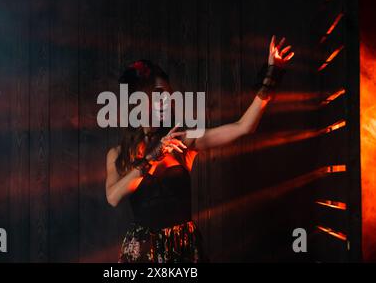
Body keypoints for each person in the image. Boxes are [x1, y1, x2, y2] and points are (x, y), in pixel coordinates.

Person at [105, 36, 294, 262]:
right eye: (158, 94)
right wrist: (153, 157)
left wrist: (272, 73)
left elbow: (243, 126)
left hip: (183, 247)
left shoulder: (184, 141)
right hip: (143, 251)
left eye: (168, 94)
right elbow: (113, 197)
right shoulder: (118, 154)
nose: (166, 100)